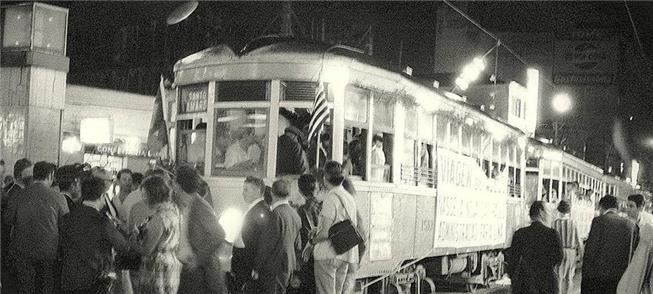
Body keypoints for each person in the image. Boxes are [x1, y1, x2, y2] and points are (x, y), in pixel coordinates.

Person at [60, 176, 130, 294]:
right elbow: (123, 246)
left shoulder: (68, 217)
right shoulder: (102, 221)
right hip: (94, 280)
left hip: (69, 278)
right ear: (102, 196)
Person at [7, 161, 68, 294]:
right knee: (46, 286)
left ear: (34, 175)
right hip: (49, 253)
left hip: (23, 251)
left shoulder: (19, 195)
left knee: (25, 287)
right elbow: (65, 227)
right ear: (51, 175)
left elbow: (7, 221)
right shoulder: (58, 198)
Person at [307, 161, 361, 294]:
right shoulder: (348, 197)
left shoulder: (331, 198)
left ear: (325, 179)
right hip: (344, 254)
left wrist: (312, 242)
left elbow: (325, 233)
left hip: (328, 255)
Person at [173, 165, 226, 294]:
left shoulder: (200, 207)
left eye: (174, 181)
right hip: (182, 268)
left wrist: (198, 259)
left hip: (197, 271)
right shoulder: (180, 203)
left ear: (179, 185)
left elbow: (219, 234)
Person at [130, 176, 181, 294]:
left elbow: (147, 250)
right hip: (171, 263)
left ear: (152, 194)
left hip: (157, 269)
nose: (143, 199)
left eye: (144, 194)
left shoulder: (159, 218)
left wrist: (133, 241)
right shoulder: (174, 210)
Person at [252, 179, 302, 294]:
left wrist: (256, 267)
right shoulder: (295, 214)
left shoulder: (274, 215)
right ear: (288, 194)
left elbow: (266, 245)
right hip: (288, 268)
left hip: (273, 270)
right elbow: (298, 245)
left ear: (272, 193)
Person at [582, 195, 639, 294]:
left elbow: (590, 251)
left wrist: (585, 279)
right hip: (620, 278)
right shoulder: (630, 225)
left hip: (598, 279)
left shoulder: (599, 221)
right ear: (616, 208)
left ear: (601, 207)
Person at [506, 201, 562, 294]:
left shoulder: (519, 234)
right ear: (541, 212)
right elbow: (558, 257)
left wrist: (515, 281)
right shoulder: (552, 234)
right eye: (549, 211)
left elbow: (512, 261)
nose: (551, 215)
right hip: (547, 284)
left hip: (525, 284)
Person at [231, 176, 271, 293]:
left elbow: (261, 242)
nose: (243, 193)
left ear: (257, 191)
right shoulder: (253, 208)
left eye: (246, 189)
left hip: (248, 261)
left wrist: (256, 267)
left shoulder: (261, 210)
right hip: (242, 260)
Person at [291, 174, 322, 294]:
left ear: (300, 191)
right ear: (317, 188)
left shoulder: (302, 210)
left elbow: (303, 237)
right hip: (322, 258)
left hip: (308, 261)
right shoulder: (323, 205)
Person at [552, 200, 583, 294]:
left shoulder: (555, 223)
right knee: (569, 276)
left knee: (559, 276)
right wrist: (581, 254)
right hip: (571, 252)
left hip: (558, 250)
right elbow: (579, 240)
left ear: (559, 210)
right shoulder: (573, 223)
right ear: (569, 211)